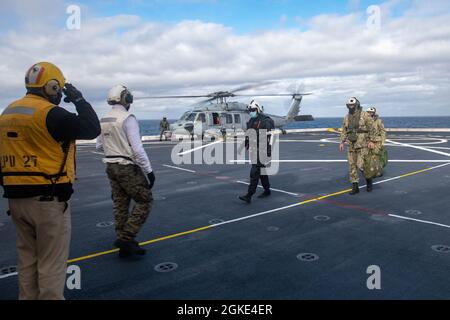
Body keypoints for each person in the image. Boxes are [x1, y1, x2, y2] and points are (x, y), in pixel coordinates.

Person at [0, 61, 101, 300]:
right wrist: (78, 99)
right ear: (53, 87)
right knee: (51, 266)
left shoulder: (7, 113)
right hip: (47, 201)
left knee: (27, 261)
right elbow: (91, 128)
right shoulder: (51, 114)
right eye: (58, 88)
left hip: (15, 201)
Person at [96, 85, 155, 258]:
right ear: (126, 99)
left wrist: (114, 147)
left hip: (110, 166)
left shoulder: (104, 119)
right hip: (126, 166)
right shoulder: (128, 118)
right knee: (145, 200)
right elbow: (137, 149)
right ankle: (126, 238)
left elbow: (99, 145)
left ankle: (124, 242)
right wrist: (149, 171)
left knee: (120, 202)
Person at [238, 100, 274, 204]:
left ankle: (249, 195)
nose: (251, 112)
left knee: (254, 171)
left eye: (253, 110)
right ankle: (267, 190)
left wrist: (268, 150)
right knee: (262, 172)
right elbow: (248, 134)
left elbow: (269, 136)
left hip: (261, 149)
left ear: (258, 109)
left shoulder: (266, 120)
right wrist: (243, 145)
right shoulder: (252, 120)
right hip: (254, 149)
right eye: (250, 110)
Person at [339, 97, 376, 194]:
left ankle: (369, 182)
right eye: (349, 105)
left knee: (361, 165)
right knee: (352, 166)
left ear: (356, 105)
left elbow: (372, 129)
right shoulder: (347, 117)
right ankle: (355, 187)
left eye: (352, 105)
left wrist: (371, 141)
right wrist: (342, 142)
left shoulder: (365, 115)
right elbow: (344, 129)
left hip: (362, 144)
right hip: (351, 145)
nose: (351, 107)